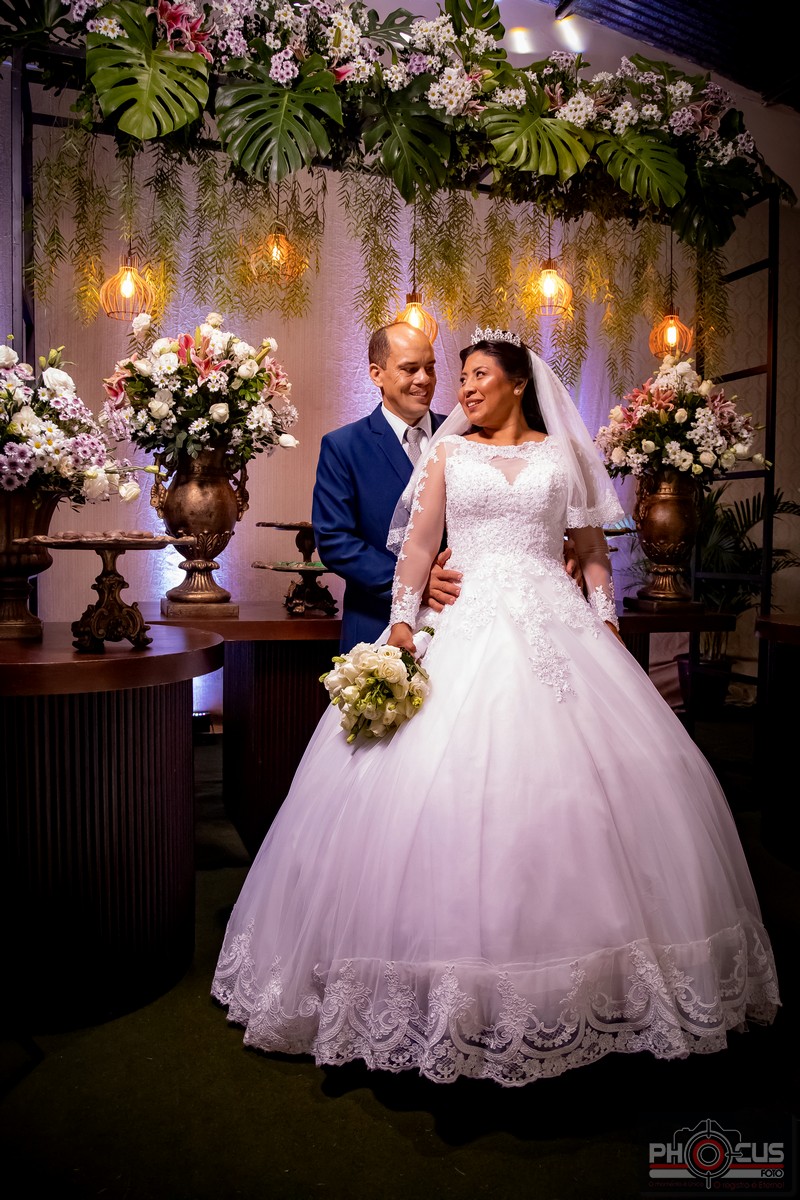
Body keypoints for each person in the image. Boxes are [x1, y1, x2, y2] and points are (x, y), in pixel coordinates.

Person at [213, 329, 779, 1086]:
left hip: (556, 624)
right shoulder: (449, 453)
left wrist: (606, 621)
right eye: (461, 377)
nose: (464, 388)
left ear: (518, 382)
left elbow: (591, 548)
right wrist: (403, 623)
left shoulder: (562, 454)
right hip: (465, 621)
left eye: (479, 375)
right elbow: (418, 548)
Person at [312, 322, 459, 650]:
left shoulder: (462, 436)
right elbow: (335, 541)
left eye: (430, 368)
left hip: (459, 623)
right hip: (376, 622)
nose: (424, 379)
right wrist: (414, 583)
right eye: (410, 369)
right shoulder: (343, 446)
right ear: (376, 374)